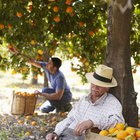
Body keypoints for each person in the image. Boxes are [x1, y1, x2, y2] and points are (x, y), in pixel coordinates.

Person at [45, 64, 125, 140]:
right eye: (93, 83)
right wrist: (56, 133)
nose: (95, 87)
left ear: (107, 88)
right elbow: (70, 118)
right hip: (66, 134)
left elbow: (118, 122)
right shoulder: (83, 99)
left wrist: (92, 122)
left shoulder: (112, 102)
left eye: (100, 85)